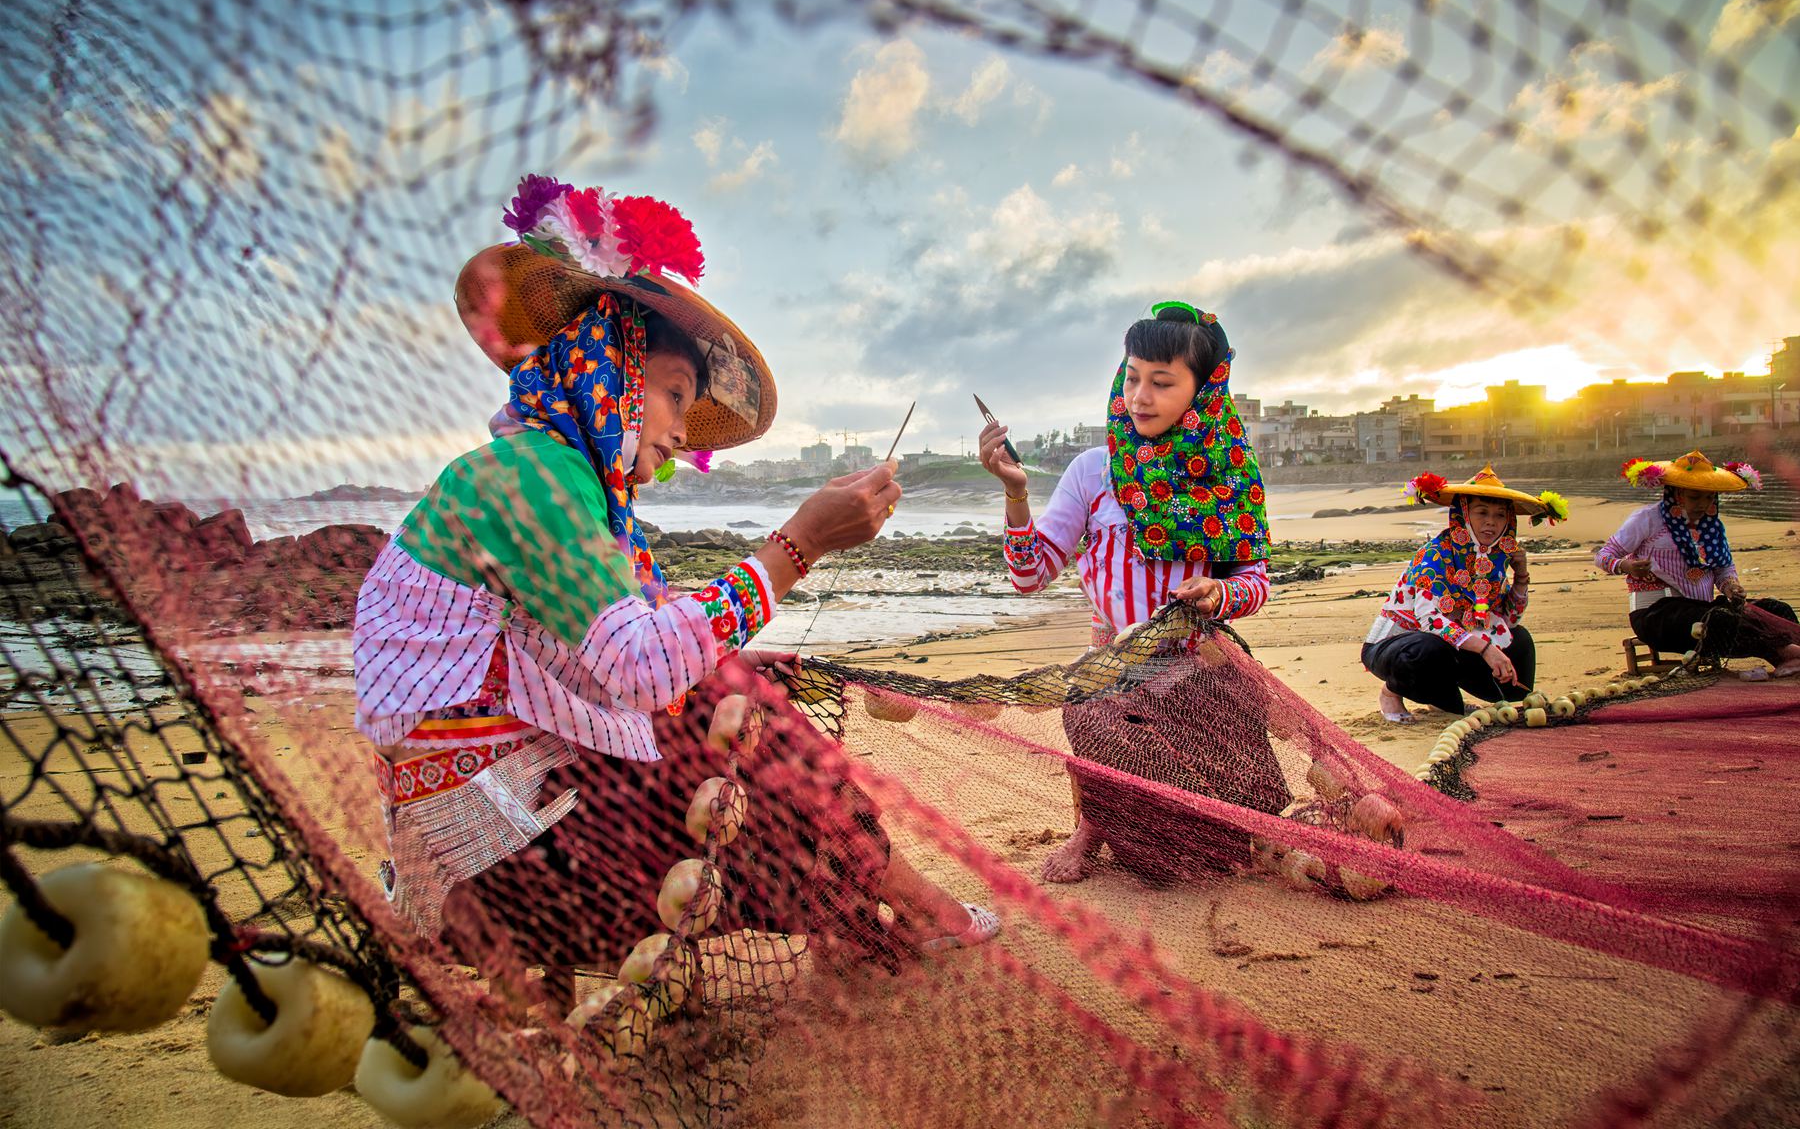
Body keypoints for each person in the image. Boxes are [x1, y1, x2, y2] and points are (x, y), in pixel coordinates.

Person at [354, 176, 996, 1013]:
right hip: (496, 862)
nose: (681, 431)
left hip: (500, 839)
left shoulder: (548, 476)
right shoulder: (531, 477)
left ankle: (876, 917)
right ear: (607, 360)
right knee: (736, 715)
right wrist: (796, 546)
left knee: (735, 699)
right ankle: (910, 911)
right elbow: (644, 671)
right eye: (674, 395)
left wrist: (736, 642)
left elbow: (617, 660)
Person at [978, 301, 1295, 886]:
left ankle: (1215, 814)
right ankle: (1093, 826)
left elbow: (1255, 581)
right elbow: (1029, 575)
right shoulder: (1094, 471)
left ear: (1203, 391)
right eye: (1131, 377)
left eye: (1162, 382)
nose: (1139, 397)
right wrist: (1016, 494)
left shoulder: (1227, 472)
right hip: (1114, 664)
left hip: (1199, 661)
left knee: (1222, 846)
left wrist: (1219, 594)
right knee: (1092, 721)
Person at [1362, 467, 1567, 720]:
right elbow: (1431, 621)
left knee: (1519, 639)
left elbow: (1510, 620)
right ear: (1464, 515)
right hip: (1396, 647)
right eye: (1482, 513)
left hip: (1457, 645)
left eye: (1500, 515)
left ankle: (1440, 698)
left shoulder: (1496, 557)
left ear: (1508, 520)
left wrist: (1521, 576)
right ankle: (1391, 692)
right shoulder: (1435, 554)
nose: (1491, 522)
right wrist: (1486, 650)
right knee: (1428, 649)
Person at [1597, 451, 1800, 677]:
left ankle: (1784, 658)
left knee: (1775, 609)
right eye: (1695, 497)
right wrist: (1627, 566)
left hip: (1701, 608)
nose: (1703, 505)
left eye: (1709, 497)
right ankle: (1788, 651)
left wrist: (1730, 586)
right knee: (1718, 619)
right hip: (1657, 615)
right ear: (1677, 493)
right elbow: (1603, 556)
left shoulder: (1712, 527)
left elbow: (1723, 569)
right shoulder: (1646, 519)